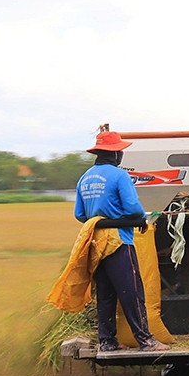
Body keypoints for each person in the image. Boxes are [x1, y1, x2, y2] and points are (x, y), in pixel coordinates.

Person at [75, 130, 170, 352]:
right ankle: (146, 340)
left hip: (96, 244)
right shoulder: (119, 176)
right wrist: (139, 220)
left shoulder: (85, 177)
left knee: (106, 294)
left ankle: (107, 341)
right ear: (115, 154)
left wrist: (97, 217)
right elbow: (133, 208)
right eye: (120, 151)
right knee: (132, 291)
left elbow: (80, 214)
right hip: (118, 241)